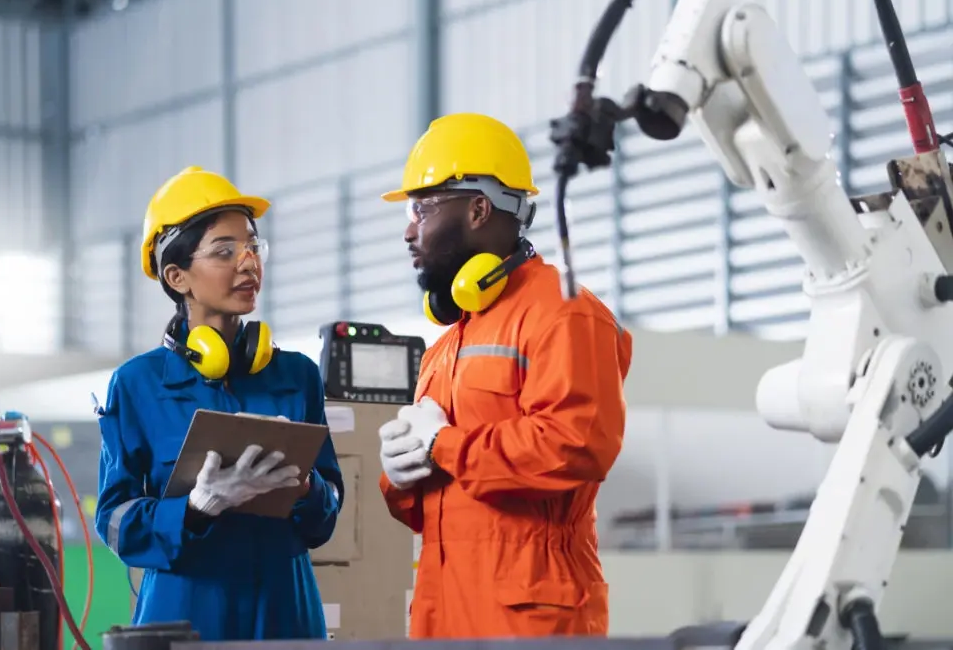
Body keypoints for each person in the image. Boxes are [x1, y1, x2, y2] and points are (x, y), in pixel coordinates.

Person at [376, 113, 632, 639]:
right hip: (441, 614)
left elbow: (575, 445)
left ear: (478, 208)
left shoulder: (565, 314)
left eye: (421, 208)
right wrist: (398, 479)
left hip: (532, 620)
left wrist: (443, 446)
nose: (408, 230)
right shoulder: (445, 348)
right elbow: (435, 503)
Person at [93, 166, 344, 641]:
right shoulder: (137, 384)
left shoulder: (297, 376)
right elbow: (115, 523)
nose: (248, 263)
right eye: (224, 251)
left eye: (252, 246)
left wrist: (307, 489)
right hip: (186, 612)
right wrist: (195, 507)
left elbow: (327, 514)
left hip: (286, 612)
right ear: (177, 275)